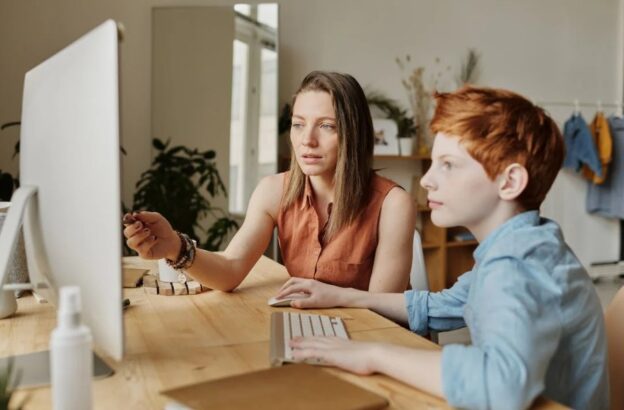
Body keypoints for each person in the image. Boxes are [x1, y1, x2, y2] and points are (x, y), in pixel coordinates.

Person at [277, 86, 609, 410]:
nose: (426, 180)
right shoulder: (523, 244)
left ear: (509, 182)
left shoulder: (516, 264)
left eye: (447, 164)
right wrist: (344, 296)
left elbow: (501, 386)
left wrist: (373, 355)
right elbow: (441, 306)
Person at [123, 71, 414, 293]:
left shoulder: (393, 204)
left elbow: (382, 312)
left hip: (372, 342)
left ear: (354, 133)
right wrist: (174, 246)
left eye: (327, 126)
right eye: (298, 124)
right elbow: (230, 270)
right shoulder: (273, 191)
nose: (307, 140)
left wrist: (323, 300)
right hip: (312, 332)